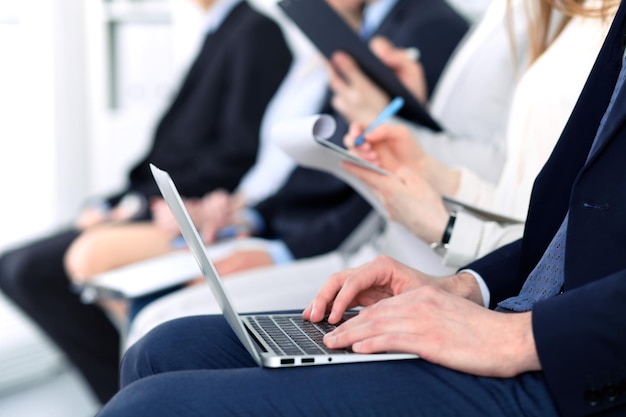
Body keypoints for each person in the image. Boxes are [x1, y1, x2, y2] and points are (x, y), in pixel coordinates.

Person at [95, 0, 626, 414]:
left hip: (568, 349)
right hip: (506, 285)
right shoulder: (550, 20)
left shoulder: (437, 24)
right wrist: (468, 286)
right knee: (161, 348)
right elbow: (572, 212)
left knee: (151, 401)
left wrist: (514, 332)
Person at [63, 0, 469, 318]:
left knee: (145, 305)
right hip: (266, 218)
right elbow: (297, 170)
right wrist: (243, 213)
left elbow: (383, 176)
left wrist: (275, 246)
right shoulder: (334, 45)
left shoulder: (414, 31)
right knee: (112, 283)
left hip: (323, 238)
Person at [0, 0, 293, 404]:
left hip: (180, 205)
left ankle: (123, 395)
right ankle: (120, 395)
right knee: (12, 265)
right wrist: (114, 203)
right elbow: (167, 148)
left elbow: (235, 152)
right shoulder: (217, 30)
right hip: (148, 197)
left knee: (33, 270)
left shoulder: (256, 33)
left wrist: (140, 205)